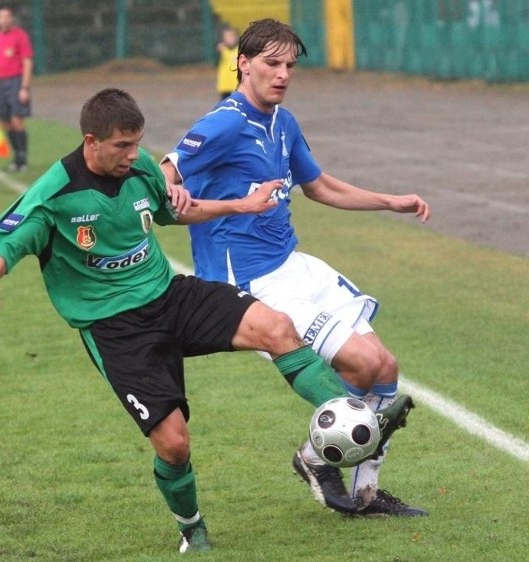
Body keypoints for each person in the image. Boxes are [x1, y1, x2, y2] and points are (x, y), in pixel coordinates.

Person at [0, 88, 413, 553]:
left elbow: (179, 211)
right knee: (175, 444)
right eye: (122, 146)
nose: (135, 155)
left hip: (170, 296)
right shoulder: (55, 196)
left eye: (137, 143)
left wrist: (242, 205)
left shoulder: (138, 171)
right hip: (116, 328)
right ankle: (191, 525)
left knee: (276, 327)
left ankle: (353, 419)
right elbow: (6, 243)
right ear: (91, 141)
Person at [160, 19, 431, 517]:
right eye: (271, 63)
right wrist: (177, 189)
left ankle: (354, 483)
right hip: (250, 283)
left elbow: (318, 185)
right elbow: (164, 177)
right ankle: (322, 460)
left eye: (290, 65)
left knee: (385, 368)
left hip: (294, 265)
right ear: (242, 64)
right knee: (360, 366)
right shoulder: (223, 123)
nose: (283, 74)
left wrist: (389, 201)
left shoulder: (283, 121)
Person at [0, 6, 33, 172]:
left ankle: (23, 158)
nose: (4, 19)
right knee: (5, 121)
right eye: (1, 17)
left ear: (11, 19)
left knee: (16, 119)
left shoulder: (20, 36)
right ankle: (16, 156)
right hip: (1, 83)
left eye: (7, 16)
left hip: (16, 81)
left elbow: (27, 61)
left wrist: (24, 87)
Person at [215, 26, 239, 100]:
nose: (230, 38)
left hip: (237, 86)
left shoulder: (240, 50)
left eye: (232, 36)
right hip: (225, 86)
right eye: (227, 36)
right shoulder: (221, 50)